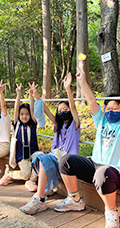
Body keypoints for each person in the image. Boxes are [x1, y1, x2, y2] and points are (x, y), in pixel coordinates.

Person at [53, 66, 120, 228]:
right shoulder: (101, 121)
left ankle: (111, 212)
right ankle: (74, 199)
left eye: (115, 108)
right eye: (108, 108)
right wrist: (82, 81)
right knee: (66, 160)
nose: (111, 111)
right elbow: (91, 101)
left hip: (114, 171)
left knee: (103, 173)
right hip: (94, 165)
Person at [19, 73, 80, 215]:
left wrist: (68, 89)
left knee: (43, 158)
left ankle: (40, 198)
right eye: (59, 111)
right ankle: (41, 196)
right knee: (40, 158)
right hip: (55, 157)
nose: (62, 112)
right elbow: (46, 110)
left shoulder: (75, 126)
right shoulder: (58, 126)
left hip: (68, 159)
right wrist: (36, 95)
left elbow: (74, 108)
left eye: (65, 110)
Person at [0, 82, 42, 188]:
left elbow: (32, 110)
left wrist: (32, 96)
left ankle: (32, 181)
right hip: (21, 154)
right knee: (25, 174)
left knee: (41, 157)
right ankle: (10, 174)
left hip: (32, 151)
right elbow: (16, 109)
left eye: (26, 114)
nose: (24, 116)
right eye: (22, 114)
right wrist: (18, 95)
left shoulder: (32, 123)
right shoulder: (17, 123)